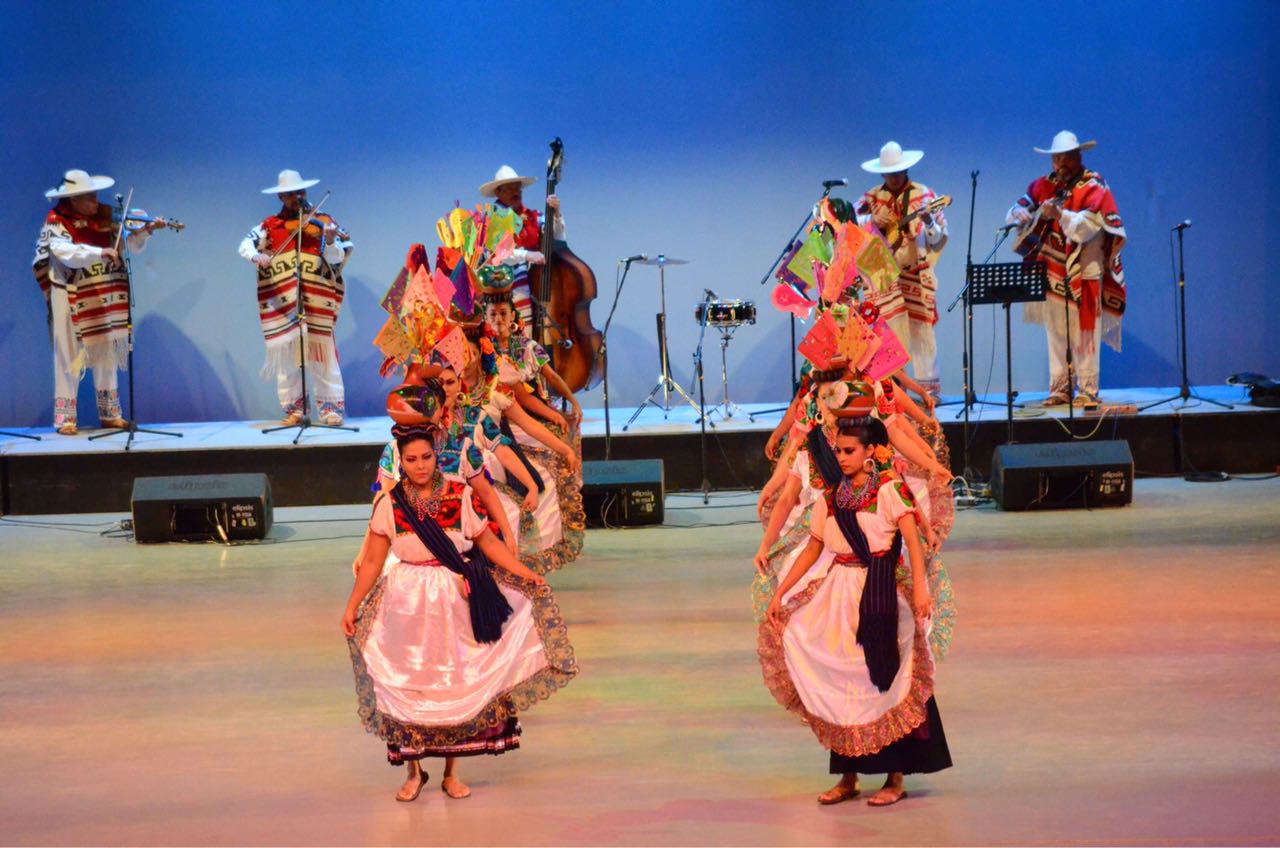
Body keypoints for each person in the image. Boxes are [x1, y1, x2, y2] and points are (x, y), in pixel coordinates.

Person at [342, 424, 577, 801]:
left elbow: (487, 543)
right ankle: (413, 770)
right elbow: (372, 561)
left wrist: (526, 574)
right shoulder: (389, 504)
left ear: (436, 456)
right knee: (410, 685)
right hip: (405, 604)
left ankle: (452, 772)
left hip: (452, 600)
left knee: (453, 683)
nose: (420, 466)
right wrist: (352, 604)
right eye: (411, 459)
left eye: (426, 457)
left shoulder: (459, 495)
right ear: (400, 462)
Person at [761, 416, 951, 806]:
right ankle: (847, 777)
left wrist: (920, 590)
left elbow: (912, 543)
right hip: (839, 590)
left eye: (850, 451)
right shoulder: (832, 497)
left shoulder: (888, 490)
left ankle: (895, 777)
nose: (842, 458)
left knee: (884, 680)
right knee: (842, 683)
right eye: (839, 451)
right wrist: (781, 592)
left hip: (880, 589)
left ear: (869, 453)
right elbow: (815, 547)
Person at [33, 169, 167, 435]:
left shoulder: (106, 218)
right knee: (68, 354)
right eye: (89, 197)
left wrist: (147, 230)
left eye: (95, 196)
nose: (96, 202)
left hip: (101, 291)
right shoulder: (56, 221)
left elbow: (129, 245)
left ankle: (110, 413)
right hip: (69, 293)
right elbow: (65, 252)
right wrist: (98, 252)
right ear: (73, 200)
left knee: (106, 348)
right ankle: (65, 418)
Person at [1006, 131, 1126, 406]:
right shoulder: (1042, 185)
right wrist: (1018, 213)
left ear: (1078, 157)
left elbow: (1086, 228)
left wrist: (1060, 214)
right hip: (1053, 269)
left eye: (1065, 157)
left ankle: (1087, 388)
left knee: (1085, 331)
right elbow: (1017, 205)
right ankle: (1060, 388)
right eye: (1055, 158)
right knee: (1056, 331)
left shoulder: (1095, 185)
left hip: (1085, 269)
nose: (1059, 163)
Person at [239, 169, 352, 425]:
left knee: (322, 352)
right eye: (290, 194)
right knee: (288, 356)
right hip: (285, 302)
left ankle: (330, 408)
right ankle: (295, 409)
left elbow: (336, 258)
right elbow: (245, 245)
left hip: (316, 296)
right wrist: (257, 256)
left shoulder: (323, 221)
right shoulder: (270, 225)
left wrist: (332, 241)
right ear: (281, 197)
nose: (296, 197)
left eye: (299, 192)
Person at [856, 142, 949, 399]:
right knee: (887, 332)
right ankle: (892, 393)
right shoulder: (871, 198)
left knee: (921, 330)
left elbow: (939, 237)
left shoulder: (925, 196)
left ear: (906, 169)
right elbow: (850, 225)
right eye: (888, 174)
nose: (893, 178)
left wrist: (929, 222)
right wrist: (871, 221)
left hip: (915, 273)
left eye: (897, 172)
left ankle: (926, 393)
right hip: (884, 278)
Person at [478, 165, 564, 333]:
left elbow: (558, 237)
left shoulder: (533, 216)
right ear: (498, 192)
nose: (515, 191)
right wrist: (527, 255)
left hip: (536, 284)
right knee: (515, 332)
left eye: (517, 187)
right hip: (507, 287)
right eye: (509, 188)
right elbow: (498, 253)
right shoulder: (491, 219)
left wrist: (556, 213)